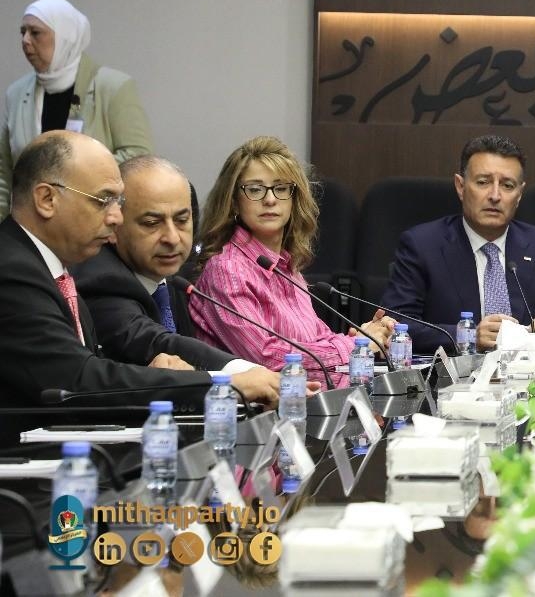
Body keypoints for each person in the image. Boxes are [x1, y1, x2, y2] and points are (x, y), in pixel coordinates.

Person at [0, 132, 278, 446]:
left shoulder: (52, 268)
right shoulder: (12, 271)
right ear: (47, 199)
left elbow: (89, 372)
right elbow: (78, 381)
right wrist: (222, 386)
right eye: (103, 200)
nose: (116, 217)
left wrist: (160, 372)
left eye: (117, 202)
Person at [189, 136, 396, 384]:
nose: (270, 199)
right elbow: (265, 358)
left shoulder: (285, 267)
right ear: (233, 201)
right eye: (255, 189)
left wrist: (366, 336)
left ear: (293, 198)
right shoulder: (227, 269)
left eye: (280, 188)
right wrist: (357, 345)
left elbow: (316, 341)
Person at [74, 155, 276, 376]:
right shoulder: (101, 277)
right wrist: (243, 372)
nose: (172, 238)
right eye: (152, 223)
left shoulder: (175, 276)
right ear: (114, 225)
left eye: (181, 220)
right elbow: (152, 341)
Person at [380, 135, 535, 353]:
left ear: (519, 194)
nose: (495, 195)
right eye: (483, 182)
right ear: (460, 186)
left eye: (507, 185)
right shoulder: (422, 245)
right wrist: (467, 336)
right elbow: (394, 323)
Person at [0, 0, 153, 219]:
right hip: (31, 223)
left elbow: (138, 156)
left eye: (35, 32)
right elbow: (5, 171)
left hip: (97, 221)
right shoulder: (16, 93)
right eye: (22, 32)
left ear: (66, 36)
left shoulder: (113, 87)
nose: (25, 40)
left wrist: (74, 178)